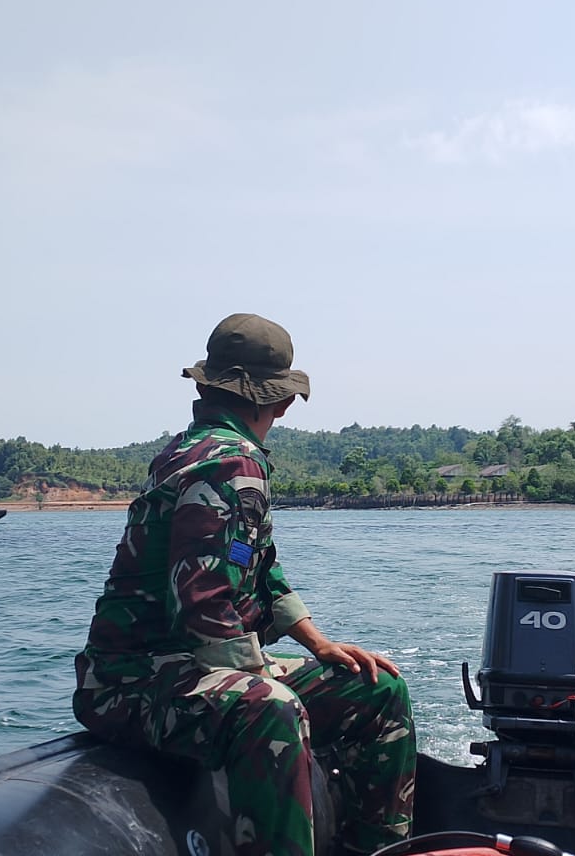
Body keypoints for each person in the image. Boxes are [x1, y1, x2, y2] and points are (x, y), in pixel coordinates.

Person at [73, 313, 416, 856]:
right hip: (129, 684)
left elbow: (260, 567)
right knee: (270, 709)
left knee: (376, 690)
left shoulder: (209, 452)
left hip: (185, 672)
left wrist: (318, 644)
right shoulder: (227, 463)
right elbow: (203, 607)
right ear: (276, 402)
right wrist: (265, 680)